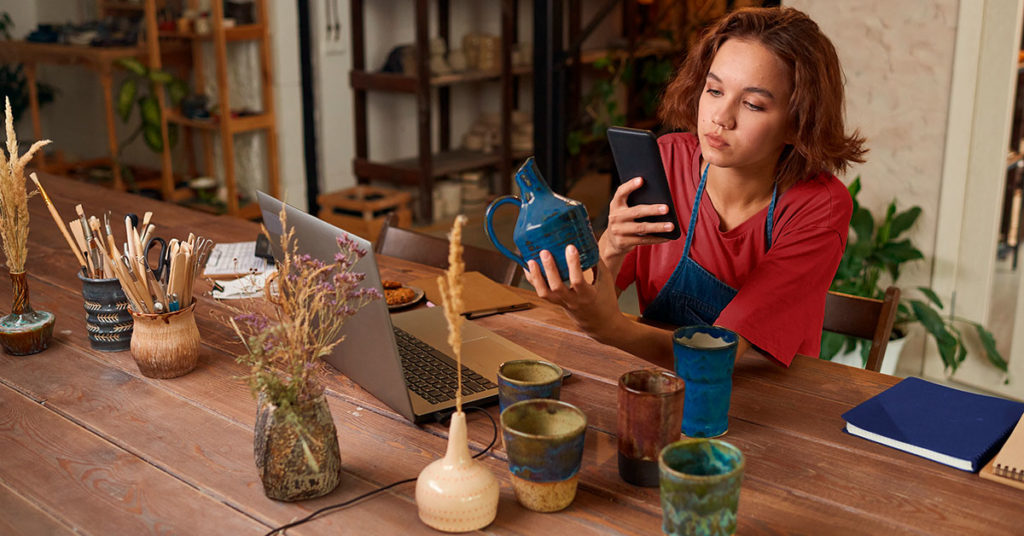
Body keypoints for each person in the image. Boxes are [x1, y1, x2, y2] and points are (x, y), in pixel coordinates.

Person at [524, 6, 866, 369]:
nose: (720, 118)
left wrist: (611, 328)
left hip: (767, 400)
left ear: (799, 123)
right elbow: (602, 289)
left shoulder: (817, 206)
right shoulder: (666, 161)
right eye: (714, 90)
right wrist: (610, 246)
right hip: (659, 379)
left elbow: (722, 355)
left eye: (752, 104)